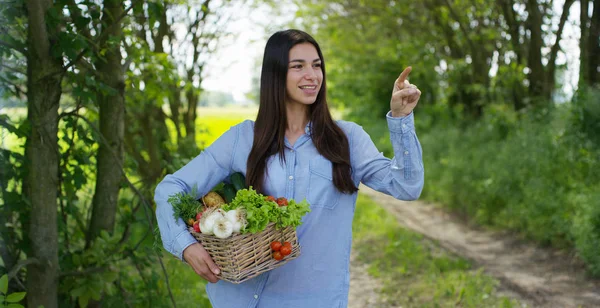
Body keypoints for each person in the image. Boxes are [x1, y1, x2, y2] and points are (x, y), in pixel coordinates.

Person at [154, 29, 424, 307]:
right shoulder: (242, 138)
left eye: (317, 65)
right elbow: (171, 189)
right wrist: (185, 246)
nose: (312, 75)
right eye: (298, 66)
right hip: (243, 299)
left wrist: (402, 119)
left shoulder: (348, 140)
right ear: (275, 74)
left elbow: (407, 186)